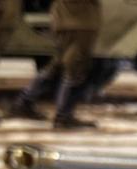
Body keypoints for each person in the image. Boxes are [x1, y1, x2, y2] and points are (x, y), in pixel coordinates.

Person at [8, 0, 100, 129]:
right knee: (74, 66)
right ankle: (63, 115)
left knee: (58, 65)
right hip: (80, 20)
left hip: (65, 19)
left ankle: (24, 102)